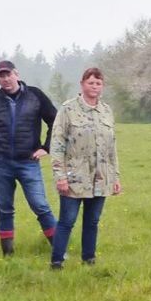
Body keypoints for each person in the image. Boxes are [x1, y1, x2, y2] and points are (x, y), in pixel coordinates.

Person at [0, 60, 58, 256]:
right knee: (4, 209)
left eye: (8, 74)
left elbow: (55, 120)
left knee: (40, 205)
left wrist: (47, 147)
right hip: (1, 162)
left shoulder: (35, 95)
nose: (6, 79)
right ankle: (8, 255)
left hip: (29, 161)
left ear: (16, 74)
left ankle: (59, 250)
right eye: (1, 76)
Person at [48, 67, 122, 270]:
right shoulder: (68, 109)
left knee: (92, 221)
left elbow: (112, 146)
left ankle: (89, 259)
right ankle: (56, 262)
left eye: (98, 83)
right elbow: (57, 144)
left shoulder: (106, 111)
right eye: (91, 82)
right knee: (67, 221)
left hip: (101, 176)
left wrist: (115, 177)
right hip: (74, 176)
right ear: (82, 84)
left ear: (102, 87)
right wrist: (59, 176)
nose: (95, 87)